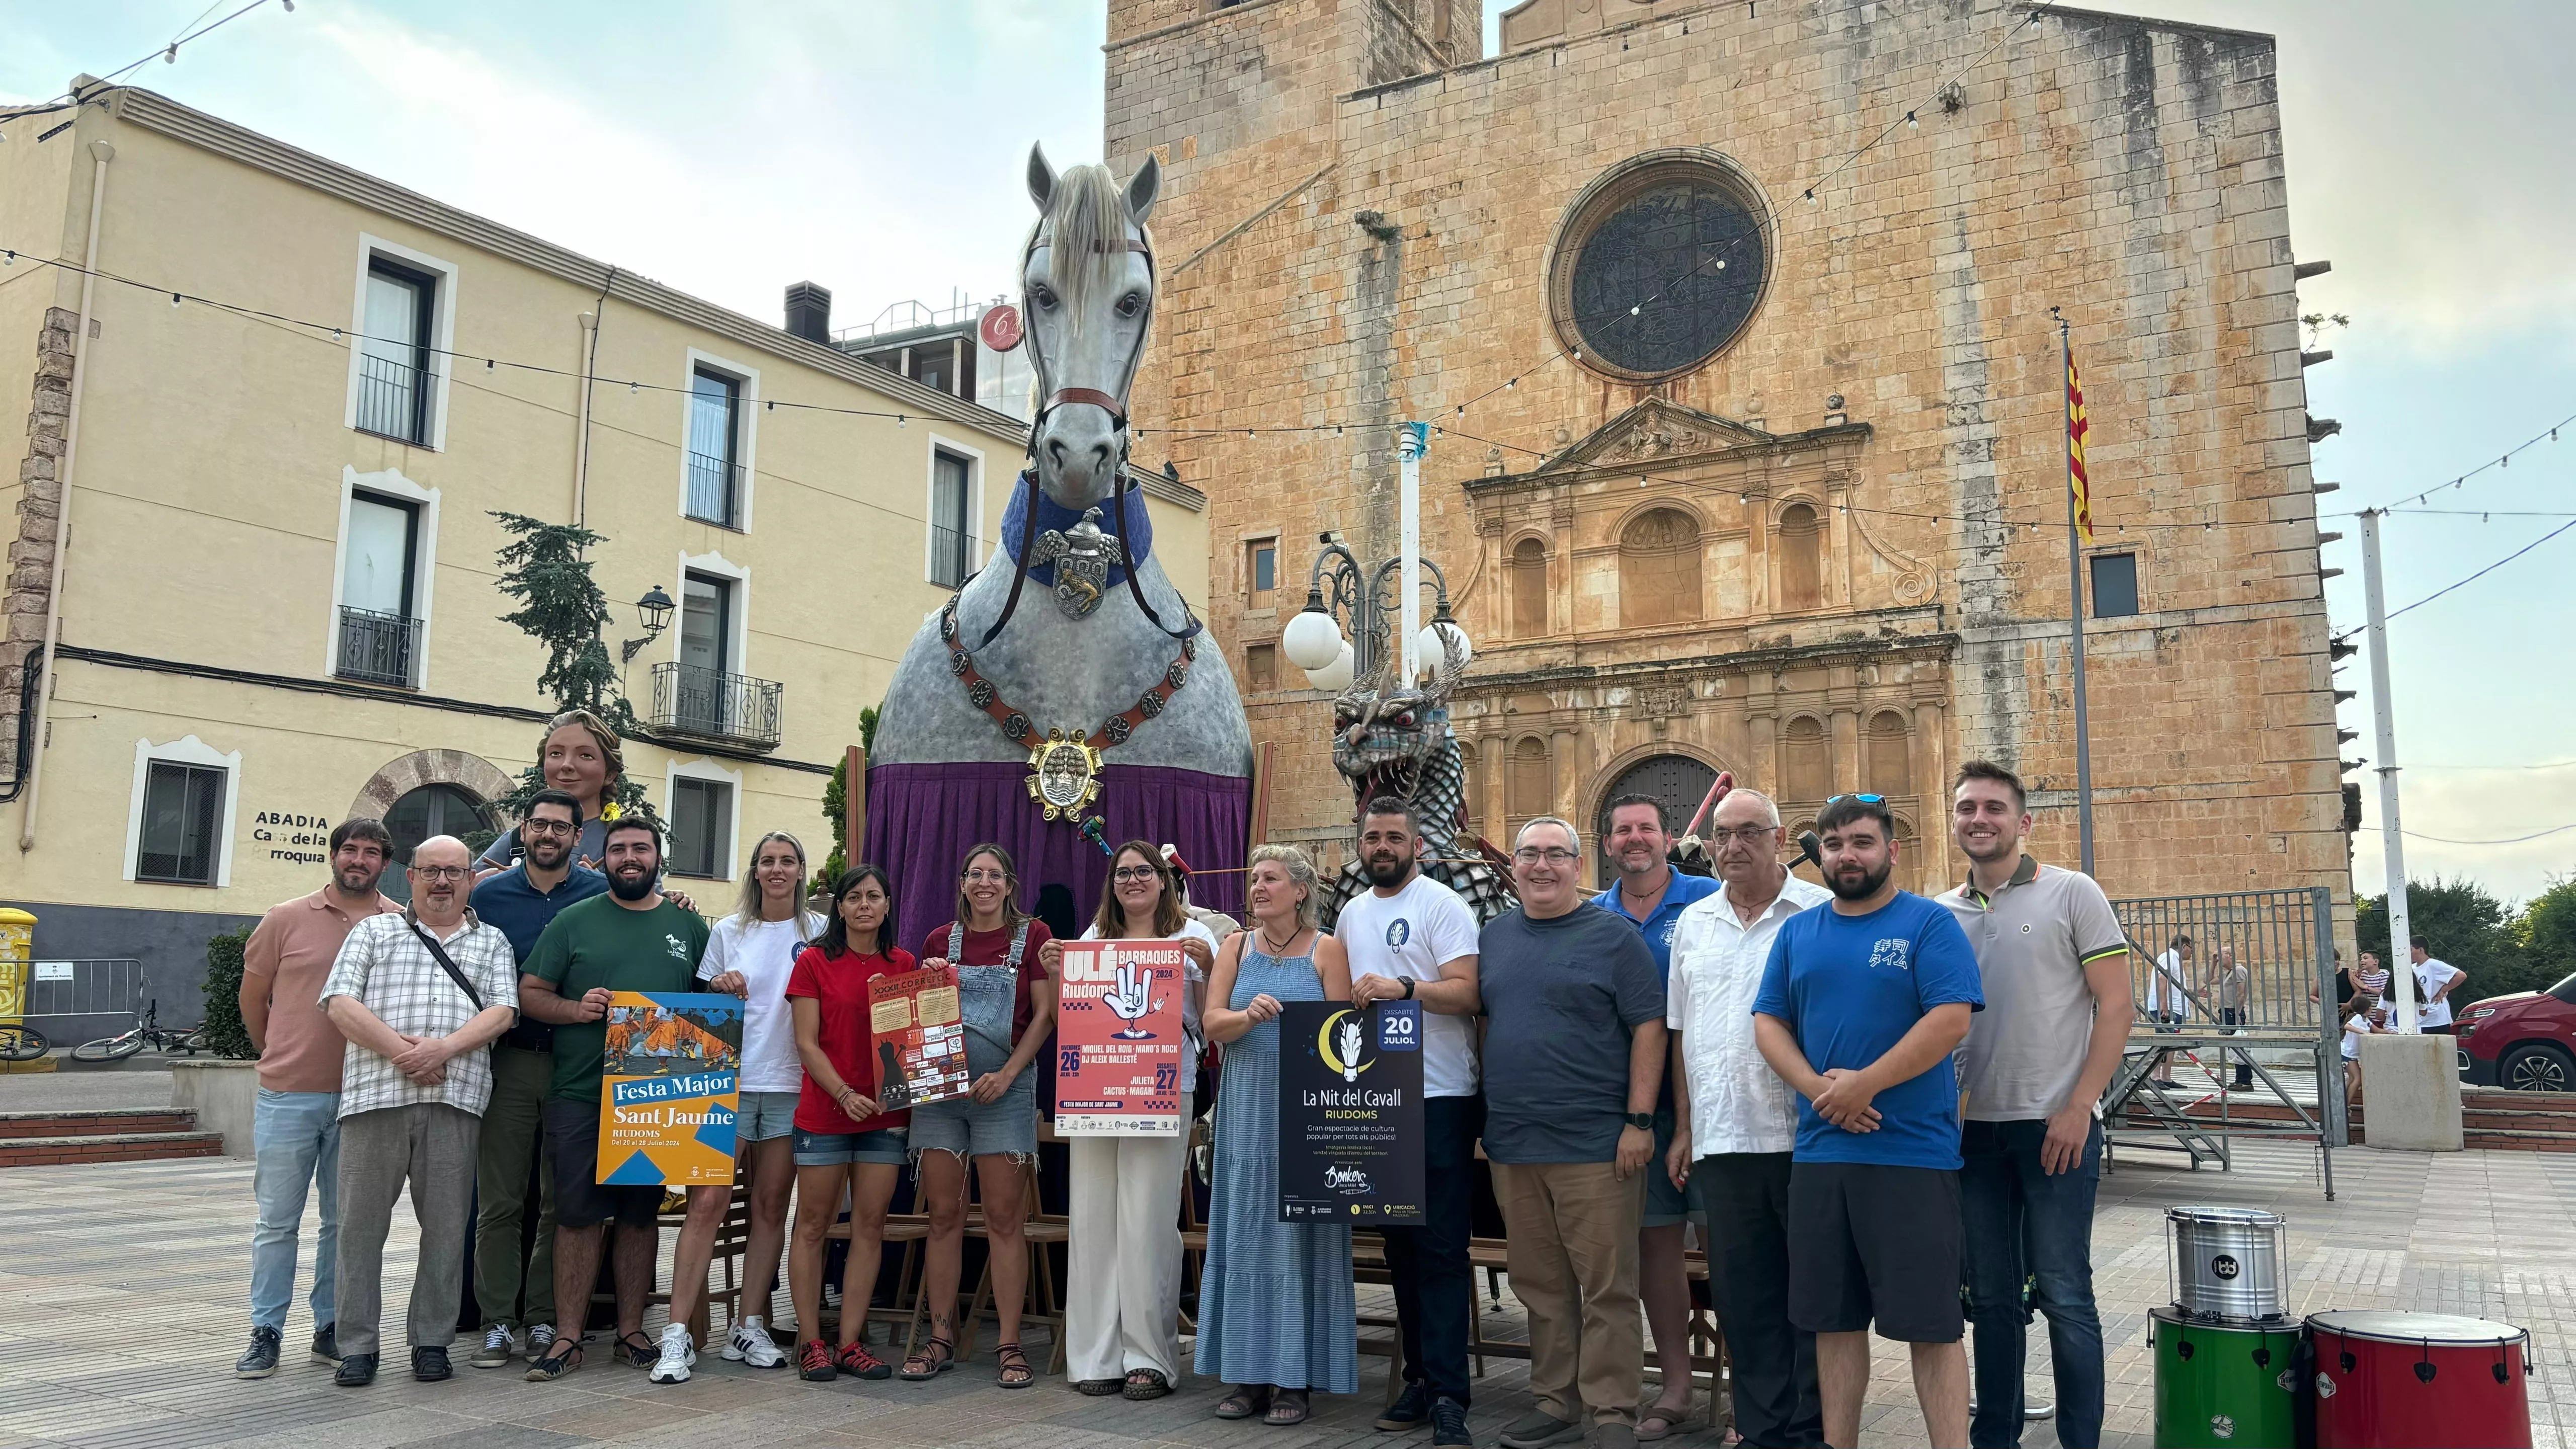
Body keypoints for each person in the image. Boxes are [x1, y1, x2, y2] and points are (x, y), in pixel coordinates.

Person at [1752, 793, 1983, 1449]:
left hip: (1913, 1158)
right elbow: (1768, 1023)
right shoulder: (1799, 932)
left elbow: (1950, 1019)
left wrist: (1865, 1086)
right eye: (1834, 845)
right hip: (1822, 1159)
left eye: (1860, 841)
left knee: (1933, 1326)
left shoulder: (1928, 926)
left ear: (1891, 849)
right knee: (1833, 1322)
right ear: (1819, 855)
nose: (1847, 855)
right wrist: (1820, 1092)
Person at [1937, 762, 2129, 1449]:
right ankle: (1997, 1436)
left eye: (1993, 807)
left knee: (2066, 1294)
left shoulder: (2072, 893)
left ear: (2023, 823)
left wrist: (2082, 1104)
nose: (1978, 818)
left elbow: (2117, 1005)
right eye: (1966, 808)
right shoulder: (1942, 913)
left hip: (2057, 1126)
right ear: (1953, 821)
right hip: (1973, 1135)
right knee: (1990, 1301)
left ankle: (2080, 1439)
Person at [1480, 818, 1667, 1449]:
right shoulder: (1494, 937)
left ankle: (1613, 1410)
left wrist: (1639, 1122)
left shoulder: (1613, 937)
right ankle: (1554, 1404)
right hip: (1514, 1143)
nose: (1540, 866)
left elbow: (1649, 1026)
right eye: (1528, 854)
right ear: (1512, 864)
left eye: (1554, 855)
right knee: (1538, 1284)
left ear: (1577, 864)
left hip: (1594, 1145)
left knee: (1607, 1286)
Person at [514, 817, 712, 1383]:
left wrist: (725, 989)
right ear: (602, 859)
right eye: (619, 849)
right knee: (576, 1217)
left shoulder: (687, 925)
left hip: (653, 1094)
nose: (630, 857)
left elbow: (707, 1001)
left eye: (641, 848)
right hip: (580, 1091)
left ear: (658, 857)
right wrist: (575, 1010)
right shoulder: (574, 921)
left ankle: (630, 1331)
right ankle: (569, 1336)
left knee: (638, 1214)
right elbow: (530, 993)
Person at [319, 836, 521, 1387]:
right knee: (359, 1230)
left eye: (455, 872)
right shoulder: (373, 931)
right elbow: (340, 1003)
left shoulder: (492, 941)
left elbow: (503, 1011)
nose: (442, 882)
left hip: (454, 1101)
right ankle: (356, 1346)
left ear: (471, 880)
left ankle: (432, 1340)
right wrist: (404, 1054)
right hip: (374, 1098)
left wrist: (442, 1051)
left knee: (447, 1230)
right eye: (431, 870)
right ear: (409, 876)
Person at [1665, 788, 1830, 1449]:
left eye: (1748, 834)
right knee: (1744, 1296)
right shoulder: (1694, 924)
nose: (1733, 847)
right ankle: (1761, 1430)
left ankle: (1813, 1429)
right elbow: (1683, 1034)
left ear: (1779, 837)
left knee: (1813, 1295)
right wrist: (1683, 1127)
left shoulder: (1820, 913)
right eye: (1722, 836)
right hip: (1724, 1139)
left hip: (1804, 1138)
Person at [1043, 842, 1216, 1400]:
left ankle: (1149, 1357)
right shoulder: (1092, 941)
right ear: (1111, 884)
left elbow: (1211, 1021)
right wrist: (1054, 972)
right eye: (1124, 873)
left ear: (1164, 880)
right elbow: (1063, 1016)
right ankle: (1094, 1353)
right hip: (1095, 1088)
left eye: (1145, 871)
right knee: (1092, 1218)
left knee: (1146, 1218)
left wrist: (1209, 970)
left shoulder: (1193, 937)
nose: (1134, 880)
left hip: (1162, 1091)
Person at [1337, 799, 1483, 1446]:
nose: (1382, 847)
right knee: (1399, 1249)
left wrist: (1405, 987)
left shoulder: (1441, 905)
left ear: (1415, 846)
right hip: (1378, 1100)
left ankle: (1452, 1393)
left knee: (1442, 1250)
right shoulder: (1349, 912)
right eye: (1372, 838)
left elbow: (1467, 993)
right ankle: (1420, 1377)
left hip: (1441, 1096)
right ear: (1360, 846)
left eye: (1394, 837)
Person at [233, 818, 399, 1379]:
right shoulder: (285, 919)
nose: (359, 859)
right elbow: (253, 999)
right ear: (333, 856)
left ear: (384, 863)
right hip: (289, 1094)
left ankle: (329, 1325)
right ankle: (265, 1330)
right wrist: (279, 1053)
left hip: (362, 1097)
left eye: (371, 852)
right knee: (278, 1221)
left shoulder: (399, 924)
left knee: (343, 1223)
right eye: (350, 849)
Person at [1199, 843, 1356, 1423]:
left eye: (1269, 879)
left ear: (1299, 890)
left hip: (1307, 1113)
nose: (1257, 888)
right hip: (1245, 1113)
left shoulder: (1327, 949)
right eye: (1253, 880)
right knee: (1244, 1236)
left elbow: (1345, 1035)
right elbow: (1214, 1023)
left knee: (1298, 1241)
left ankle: (1294, 1379)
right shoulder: (1234, 947)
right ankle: (1245, 1374)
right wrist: (1247, 1018)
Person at [1589, 793, 1722, 1442]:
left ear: (1667, 839)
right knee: (1655, 1255)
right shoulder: (1592, 915)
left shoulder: (1707, 900)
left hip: (1716, 1104)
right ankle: (1675, 1389)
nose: (1634, 839)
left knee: (1731, 1248)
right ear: (1608, 843)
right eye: (1622, 830)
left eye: (1646, 828)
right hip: (1638, 1113)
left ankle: (1753, 1391)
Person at [463, 788, 606, 1371]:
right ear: (523, 831)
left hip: (578, 1062)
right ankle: (497, 1319)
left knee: (559, 1200)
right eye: (538, 825)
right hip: (511, 1058)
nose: (548, 836)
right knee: (499, 1200)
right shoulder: (489, 895)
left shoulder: (600, 894)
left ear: (577, 837)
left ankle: (544, 1315)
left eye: (560, 828)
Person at [908, 843, 1057, 1388]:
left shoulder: (1033, 937)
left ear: (1010, 885)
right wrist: (924, 982)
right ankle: (941, 1338)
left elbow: (1045, 1016)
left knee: (1002, 1221)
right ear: (962, 882)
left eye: (995, 875)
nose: (985, 883)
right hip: (941, 1096)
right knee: (942, 1217)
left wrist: (1008, 1076)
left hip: (1006, 1094)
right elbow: (916, 1024)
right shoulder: (936, 941)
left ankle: (1010, 1345)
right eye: (975, 874)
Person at [686, 831, 826, 1375]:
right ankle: (680, 1329)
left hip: (793, 1084)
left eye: (787, 861)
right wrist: (719, 985)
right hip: (729, 1084)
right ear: (754, 870)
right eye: (767, 861)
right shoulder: (727, 930)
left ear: (800, 871)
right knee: (707, 1204)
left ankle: (748, 1326)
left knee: (772, 1208)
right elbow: (698, 1006)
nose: (776, 870)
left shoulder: (819, 932)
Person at [784, 865, 916, 1381]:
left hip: (885, 1114)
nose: (865, 905)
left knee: (869, 1226)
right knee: (814, 1225)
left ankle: (850, 1342)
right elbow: (805, 1043)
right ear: (837, 908)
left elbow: (916, 1038)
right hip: (825, 1112)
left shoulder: (903, 963)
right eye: (854, 897)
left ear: (886, 906)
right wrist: (842, 1093)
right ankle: (811, 1342)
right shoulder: (814, 962)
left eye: (874, 896)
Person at [475, 709, 625, 873]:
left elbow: (652, 897)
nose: (566, 765)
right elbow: (466, 887)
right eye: (556, 753)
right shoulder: (517, 841)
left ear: (610, 774)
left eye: (585, 755)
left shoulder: (624, 841)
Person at [2143, 934, 2195, 1089]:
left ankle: (2166, 1077)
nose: (2191, 953)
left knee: (2171, 1044)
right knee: (2164, 1042)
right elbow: (2162, 979)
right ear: (2185, 946)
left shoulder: (2175, 960)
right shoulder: (2169, 957)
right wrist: (2164, 1005)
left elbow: (2176, 986)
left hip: (2175, 1008)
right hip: (2167, 1009)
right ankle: (2155, 1076)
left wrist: (2196, 993)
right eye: (2191, 949)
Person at [2210, 944, 2254, 1090]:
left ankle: (2245, 1081)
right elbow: (2207, 980)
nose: (2219, 958)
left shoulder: (2239, 970)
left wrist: (2237, 1013)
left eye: (2221, 955)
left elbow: (2241, 993)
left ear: (2230, 956)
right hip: (2227, 1011)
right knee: (2233, 1047)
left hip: (2233, 1012)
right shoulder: (2228, 973)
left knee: (2239, 1046)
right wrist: (2213, 963)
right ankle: (2240, 1079)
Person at [2410, 938, 2466, 1035]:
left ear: (2420, 950)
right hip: (2418, 1019)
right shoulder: (2412, 968)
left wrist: (2444, 989)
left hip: (2437, 1018)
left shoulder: (2433, 965)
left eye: (2411, 949)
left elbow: (2461, 975)